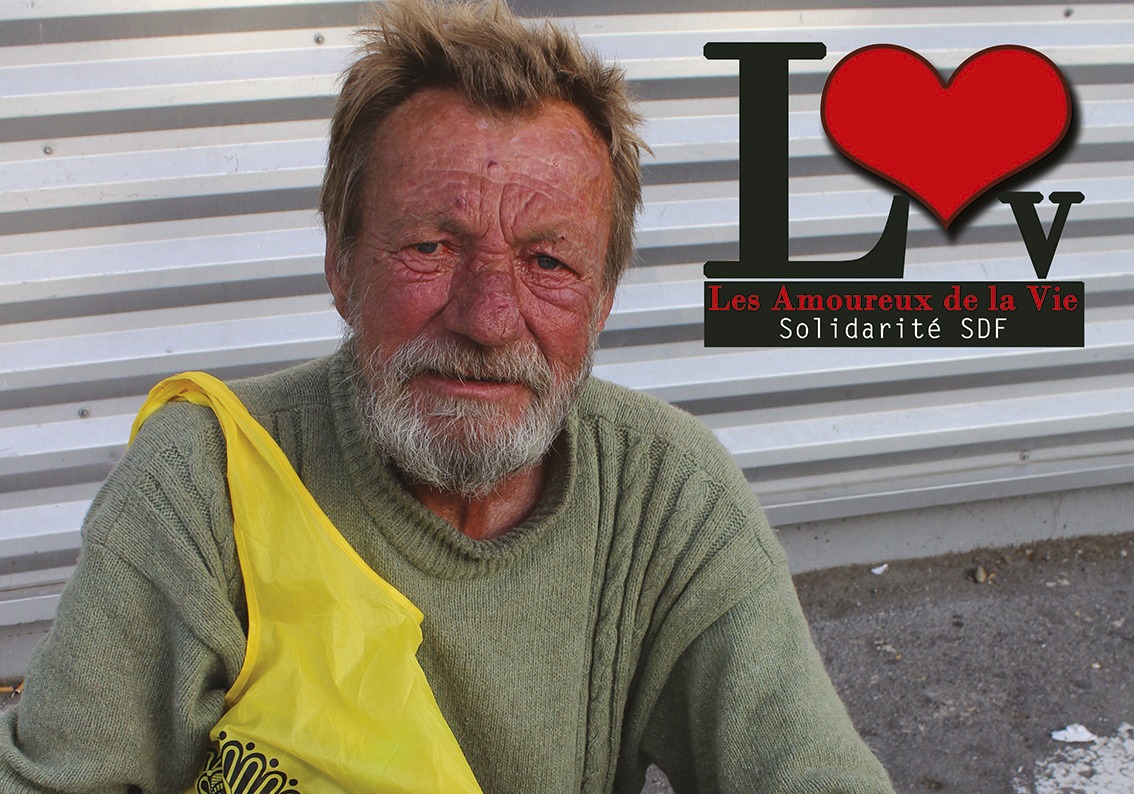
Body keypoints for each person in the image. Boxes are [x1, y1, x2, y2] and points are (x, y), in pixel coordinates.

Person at [0, 1, 894, 791]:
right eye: (431, 247)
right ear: (340, 265)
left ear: (604, 300)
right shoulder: (203, 486)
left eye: (547, 261)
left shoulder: (669, 498)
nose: (489, 317)